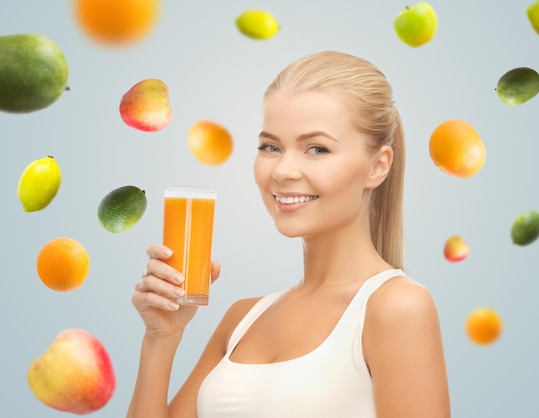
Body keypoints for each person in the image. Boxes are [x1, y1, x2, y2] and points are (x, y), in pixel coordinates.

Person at [127, 50, 450, 418]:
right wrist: (161, 337)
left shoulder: (397, 308)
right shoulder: (242, 318)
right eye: (271, 147)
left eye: (317, 148)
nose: (283, 169)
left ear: (378, 166)